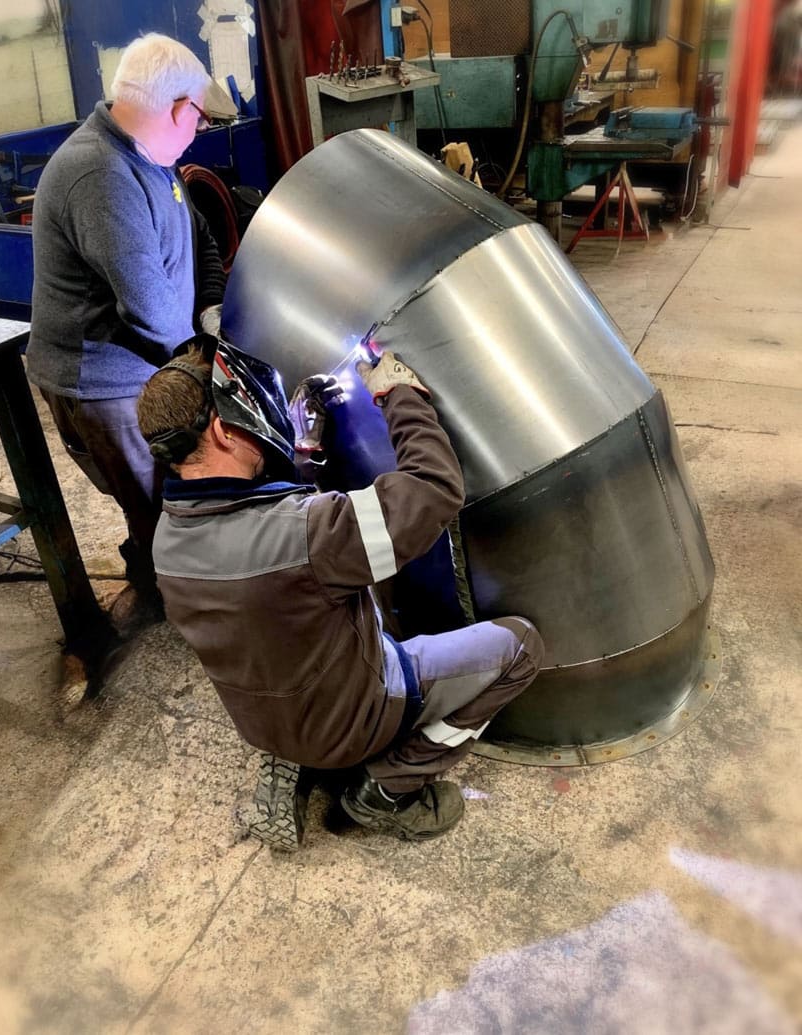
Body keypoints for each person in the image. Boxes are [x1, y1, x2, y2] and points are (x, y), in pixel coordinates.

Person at [136, 333, 544, 847]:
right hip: (357, 722)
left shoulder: (165, 542)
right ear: (222, 430)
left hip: (264, 722)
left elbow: (267, 527)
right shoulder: (313, 536)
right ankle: (388, 787)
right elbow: (434, 491)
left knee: (309, 609)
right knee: (521, 647)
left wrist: (307, 449)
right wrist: (400, 396)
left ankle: (295, 755)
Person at [26, 33, 227, 632]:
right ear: (177, 108)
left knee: (169, 489)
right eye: (200, 116)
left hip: (150, 362)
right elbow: (149, 309)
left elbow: (198, 234)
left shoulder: (152, 159)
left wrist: (212, 305)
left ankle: (169, 577)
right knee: (155, 502)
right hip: (103, 382)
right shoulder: (101, 174)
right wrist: (204, 360)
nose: (199, 129)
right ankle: (167, 597)